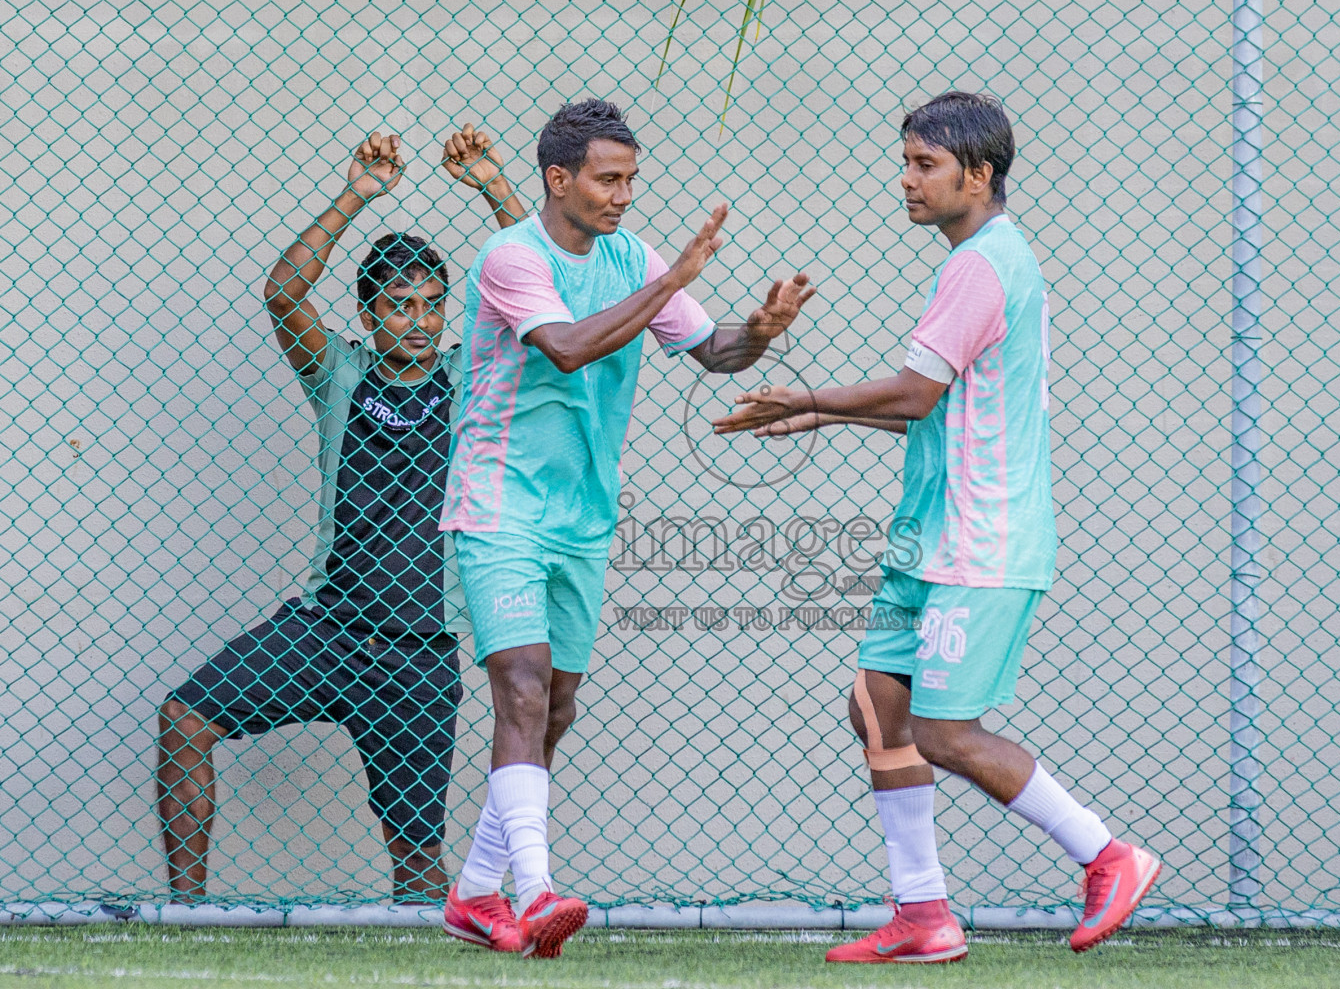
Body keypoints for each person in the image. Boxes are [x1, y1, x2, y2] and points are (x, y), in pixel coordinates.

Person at [714, 91, 1162, 962]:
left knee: (942, 732)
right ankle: (923, 916)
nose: (908, 179)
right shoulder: (976, 261)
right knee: (878, 705)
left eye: (926, 165)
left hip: (980, 539)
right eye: (907, 161)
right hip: (930, 538)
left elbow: (919, 392)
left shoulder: (984, 265)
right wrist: (826, 418)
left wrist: (811, 394)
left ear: (979, 174)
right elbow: (947, 406)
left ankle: (1109, 856)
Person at [437, 99, 816, 957]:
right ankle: (533, 895)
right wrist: (670, 281)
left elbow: (711, 352)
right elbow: (567, 347)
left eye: (631, 180)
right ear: (557, 178)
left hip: (583, 516)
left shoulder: (635, 260)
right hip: (499, 503)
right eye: (608, 180)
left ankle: (473, 893)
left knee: (556, 706)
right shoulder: (511, 257)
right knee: (523, 687)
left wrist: (759, 329)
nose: (623, 195)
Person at [155, 125, 525, 904]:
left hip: (421, 654)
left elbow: (537, 301)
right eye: (398, 305)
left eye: (431, 305)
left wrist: (494, 186)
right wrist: (356, 194)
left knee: (419, 869)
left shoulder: (468, 380)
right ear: (368, 311)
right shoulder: (338, 372)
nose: (419, 322)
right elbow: (283, 291)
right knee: (186, 722)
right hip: (326, 629)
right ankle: (184, 916)